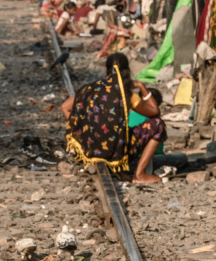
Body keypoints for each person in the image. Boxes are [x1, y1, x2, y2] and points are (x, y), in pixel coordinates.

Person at [61, 53, 166, 184]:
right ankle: (140, 174)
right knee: (158, 125)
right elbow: (155, 112)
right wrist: (141, 86)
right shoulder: (126, 93)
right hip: (117, 152)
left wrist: (82, 134)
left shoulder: (89, 88)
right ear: (127, 72)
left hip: (89, 150)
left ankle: (109, 165)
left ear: (106, 70)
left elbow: (65, 107)